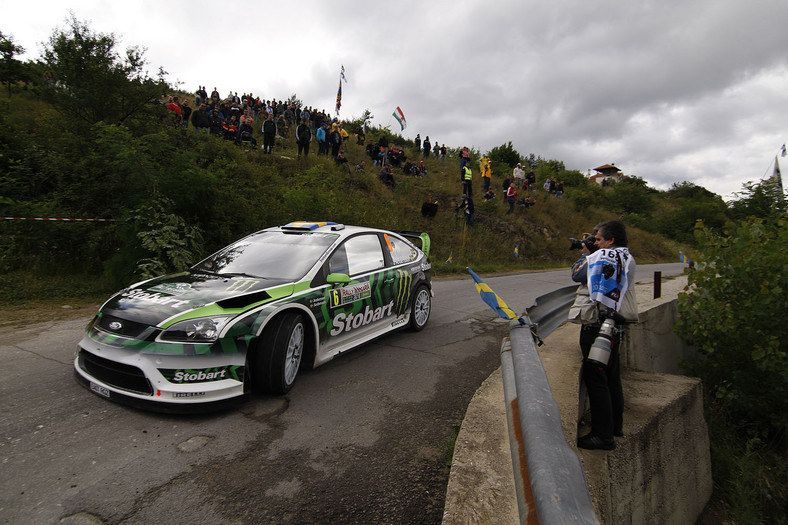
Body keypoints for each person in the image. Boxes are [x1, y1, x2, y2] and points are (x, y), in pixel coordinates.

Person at [570, 220, 638, 450]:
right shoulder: (624, 255)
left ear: (611, 241)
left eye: (599, 239)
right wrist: (596, 248)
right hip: (613, 325)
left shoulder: (604, 256)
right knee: (611, 377)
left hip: (598, 325)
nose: (595, 242)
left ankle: (602, 435)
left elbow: (577, 275)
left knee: (596, 378)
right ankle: (615, 426)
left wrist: (587, 254)